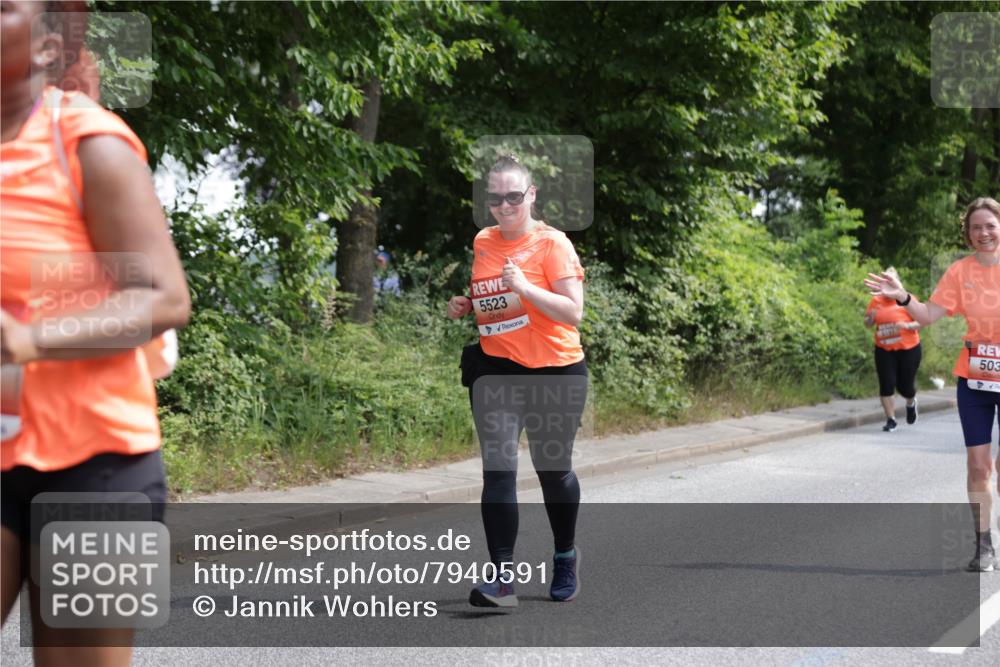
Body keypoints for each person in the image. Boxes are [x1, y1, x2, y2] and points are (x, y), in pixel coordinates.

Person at [1, 2, 190, 663]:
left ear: (47, 47)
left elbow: (165, 298)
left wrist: (30, 339)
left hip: (95, 463)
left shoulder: (89, 144)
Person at [447, 155, 587, 607]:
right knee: (498, 471)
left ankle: (564, 555)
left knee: (553, 472)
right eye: (495, 198)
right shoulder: (484, 241)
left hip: (555, 372)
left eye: (513, 196)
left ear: (531, 195)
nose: (504, 206)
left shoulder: (553, 244)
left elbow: (573, 312)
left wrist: (525, 287)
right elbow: (496, 299)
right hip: (498, 370)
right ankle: (502, 579)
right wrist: (469, 304)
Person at [864, 197, 1000, 572]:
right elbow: (926, 316)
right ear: (967, 234)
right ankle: (984, 546)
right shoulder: (959, 272)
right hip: (975, 377)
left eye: (990, 225)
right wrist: (902, 296)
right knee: (978, 466)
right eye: (976, 227)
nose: (984, 233)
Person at [863, 267, 922, 432]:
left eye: (891, 281)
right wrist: (870, 319)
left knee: (905, 387)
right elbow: (867, 324)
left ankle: (911, 403)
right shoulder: (876, 301)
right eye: (885, 282)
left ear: (897, 282)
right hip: (884, 349)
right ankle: (891, 419)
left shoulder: (907, 299)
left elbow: (922, 321)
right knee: (886, 384)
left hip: (908, 348)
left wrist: (907, 326)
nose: (888, 285)